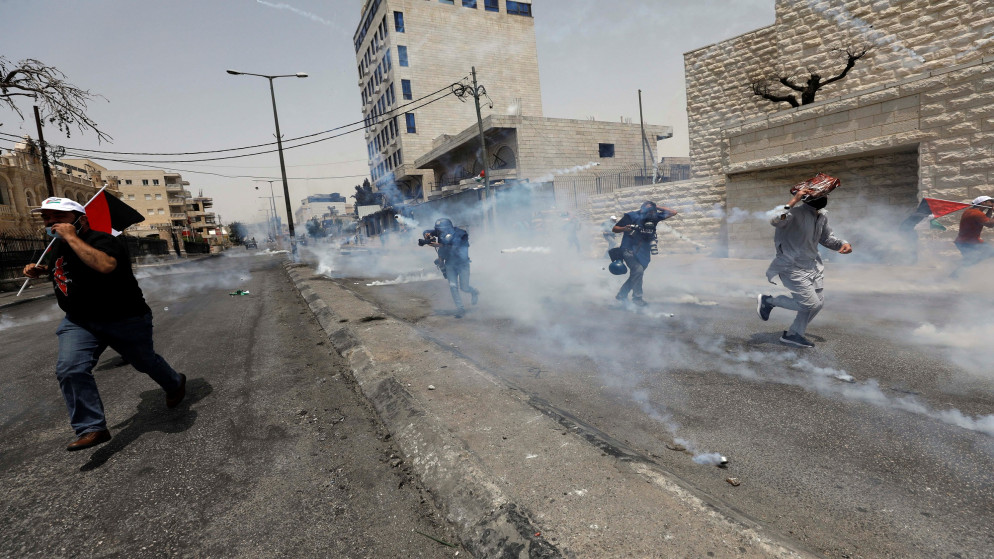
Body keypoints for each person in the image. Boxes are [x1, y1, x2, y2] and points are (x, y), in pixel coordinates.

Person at [22, 198, 186, 451]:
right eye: (46, 218)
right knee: (70, 369)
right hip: (79, 321)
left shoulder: (104, 241)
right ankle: (91, 427)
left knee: (144, 361)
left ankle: (174, 382)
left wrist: (72, 238)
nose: (50, 223)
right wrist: (41, 270)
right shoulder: (57, 245)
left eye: (58, 217)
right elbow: (69, 269)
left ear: (81, 220)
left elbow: (105, 265)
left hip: (124, 318)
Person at [756, 187, 852, 348]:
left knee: (818, 303)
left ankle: (794, 334)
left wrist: (843, 244)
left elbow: (826, 238)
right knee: (809, 304)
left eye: (825, 194)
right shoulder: (794, 213)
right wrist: (793, 201)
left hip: (813, 265)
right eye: (820, 195)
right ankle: (769, 301)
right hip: (791, 266)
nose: (824, 197)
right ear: (807, 197)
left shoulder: (822, 215)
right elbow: (775, 220)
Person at [612, 201, 677, 306]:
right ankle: (637, 299)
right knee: (638, 271)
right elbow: (615, 229)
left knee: (636, 274)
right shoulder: (632, 216)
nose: (650, 213)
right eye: (648, 211)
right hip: (628, 249)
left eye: (652, 211)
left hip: (644, 251)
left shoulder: (654, 216)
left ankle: (621, 294)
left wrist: (656, 207)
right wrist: (625, 228)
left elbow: (673, 212)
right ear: (641, 209)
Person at [422, 218, 479, 318]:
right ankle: (460, 309)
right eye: (438, 230)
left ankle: (474, 292)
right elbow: (427, 231)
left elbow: (457, 247)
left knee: (464, 287)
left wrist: (440, 245)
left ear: (448, 228)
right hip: (450, 264)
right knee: (453, 286)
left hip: (462, 264)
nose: (439, 233)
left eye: (441, 230)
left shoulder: (461, 234)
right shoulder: (440, 231)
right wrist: (427, 235)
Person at [952, 195, 994, 275]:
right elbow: (990, 224)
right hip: (968, 242)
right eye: (991, 201)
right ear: (983, 202)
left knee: (970, 261)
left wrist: (989, 210)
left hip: (966, 241)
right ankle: (954, 277)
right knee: (971, 261)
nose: (993, 203)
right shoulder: (976, 214)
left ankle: (956, 276)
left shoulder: (970, 211)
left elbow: (985, 219)